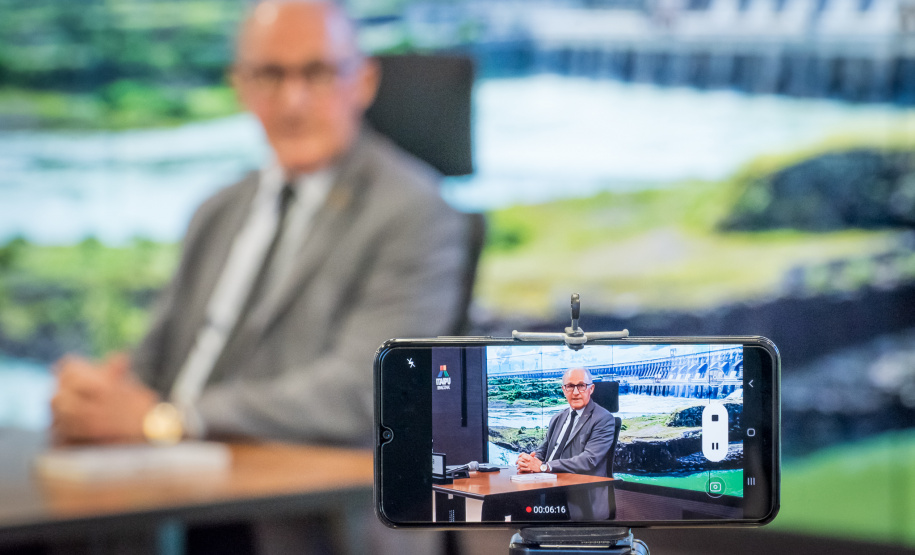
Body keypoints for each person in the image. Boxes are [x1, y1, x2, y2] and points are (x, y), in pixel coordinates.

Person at [50, 0, 468, 447]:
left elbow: (370, 388)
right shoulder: (217, 211)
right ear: (241, 86)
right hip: (167, 466)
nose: (293, 101)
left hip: (284, 478)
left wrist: (174, 420)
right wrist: (99, 395)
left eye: (317, 73)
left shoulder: (414, 212)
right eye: (270, 75)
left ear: (363, 82)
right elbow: (154, 364)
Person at [516, 367, 616, 520]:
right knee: (505, 505)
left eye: (581, 385)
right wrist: (530, 461)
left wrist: (544, 467)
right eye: (570, 386)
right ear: (564, 390)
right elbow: (544, 449)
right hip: (548, 486)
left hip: (578, 496)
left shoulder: (603, 419)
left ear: (591, 389)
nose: (575, 392)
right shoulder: (558, 417)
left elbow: (589, 460)